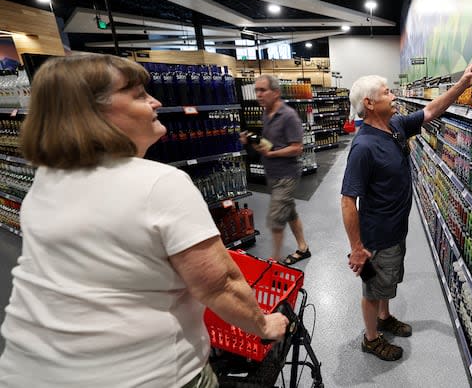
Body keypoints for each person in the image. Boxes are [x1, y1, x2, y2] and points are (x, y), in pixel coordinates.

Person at [0, 54, 288, 388]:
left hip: (27, 371)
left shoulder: (45, 182)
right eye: (137, 95)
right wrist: (265, 326)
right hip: (145, 374)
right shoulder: (159, 183)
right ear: (90, 114)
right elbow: (219, 285)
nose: (156, 101)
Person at [341, 62, 472, 361]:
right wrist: (356, 248)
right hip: (376, 234)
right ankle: (371, 337)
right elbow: (348, 200)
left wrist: (462, 85)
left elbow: (430, 112)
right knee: (372, 287)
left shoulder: (396, 125)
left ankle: (385, 317)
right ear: (369, 103)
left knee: (389, 280)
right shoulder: (363, 147)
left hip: (396, 227)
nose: (393, 96)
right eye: (387, 92)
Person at [239, 75, 309, 265]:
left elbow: (297, 148)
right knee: (289, 212)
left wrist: (273, 154)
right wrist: (253, 142)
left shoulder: (288, 116)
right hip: (273, 174)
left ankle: (275, 260)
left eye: (263, 90)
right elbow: (269, 145)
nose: (258, 95)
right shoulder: (266, 113)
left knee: (276, 218)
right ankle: (303, 247)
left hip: (287, 175)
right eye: (257, 90)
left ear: (276, 92)